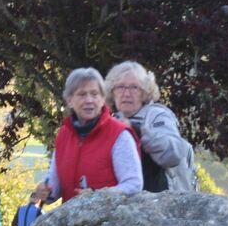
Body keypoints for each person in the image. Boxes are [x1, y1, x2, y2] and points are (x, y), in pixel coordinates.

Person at [32, 68, 144, 204]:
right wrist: (45, 191)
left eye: (94, 94)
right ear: (69, 100)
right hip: (72, 222)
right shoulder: (64, 134)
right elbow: (54, 185)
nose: (89, 100)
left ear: (103, 99)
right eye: (82, 94)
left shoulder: (119, 134)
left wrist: (98, 196)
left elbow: (134, 184)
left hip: (111, 221)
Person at [104, 61, 195, 192]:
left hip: (161, 203)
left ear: (145, 92)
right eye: (120, 87)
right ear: (111, 92)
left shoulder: (157, 116)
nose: (127, 94)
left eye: (134, 87)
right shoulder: (111, 121)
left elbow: (173, 154)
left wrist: (138, 132)